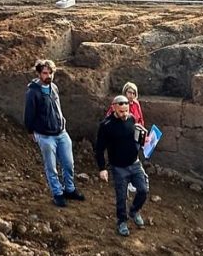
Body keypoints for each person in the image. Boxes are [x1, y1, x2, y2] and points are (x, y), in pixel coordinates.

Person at [23, 59, 84, 208]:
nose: (48, 75)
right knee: (51, 167)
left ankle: (69, 189)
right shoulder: (33, 92)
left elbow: (58, 108)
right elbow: (29, 113)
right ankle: (57, 193)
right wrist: (31, 131)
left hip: (61, 133)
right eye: (45, 73)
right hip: (45, 136)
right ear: (38, 74)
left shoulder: (54, 88)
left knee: (68, 163)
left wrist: (62, 121)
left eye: (50, 73)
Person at [95, 95, 149, 236]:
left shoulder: (131, 118)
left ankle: (134, 211)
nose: (125, 114)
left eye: (126, 111)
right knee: (121, 197)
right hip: (118, 167)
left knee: (143, 190)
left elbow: (135, 137)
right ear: (114, 108)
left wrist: (144, 140)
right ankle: (122, 221)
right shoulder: (106, 126)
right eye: (121, 112)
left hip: (135, 163)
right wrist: (102, 169)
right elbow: (99, 149)